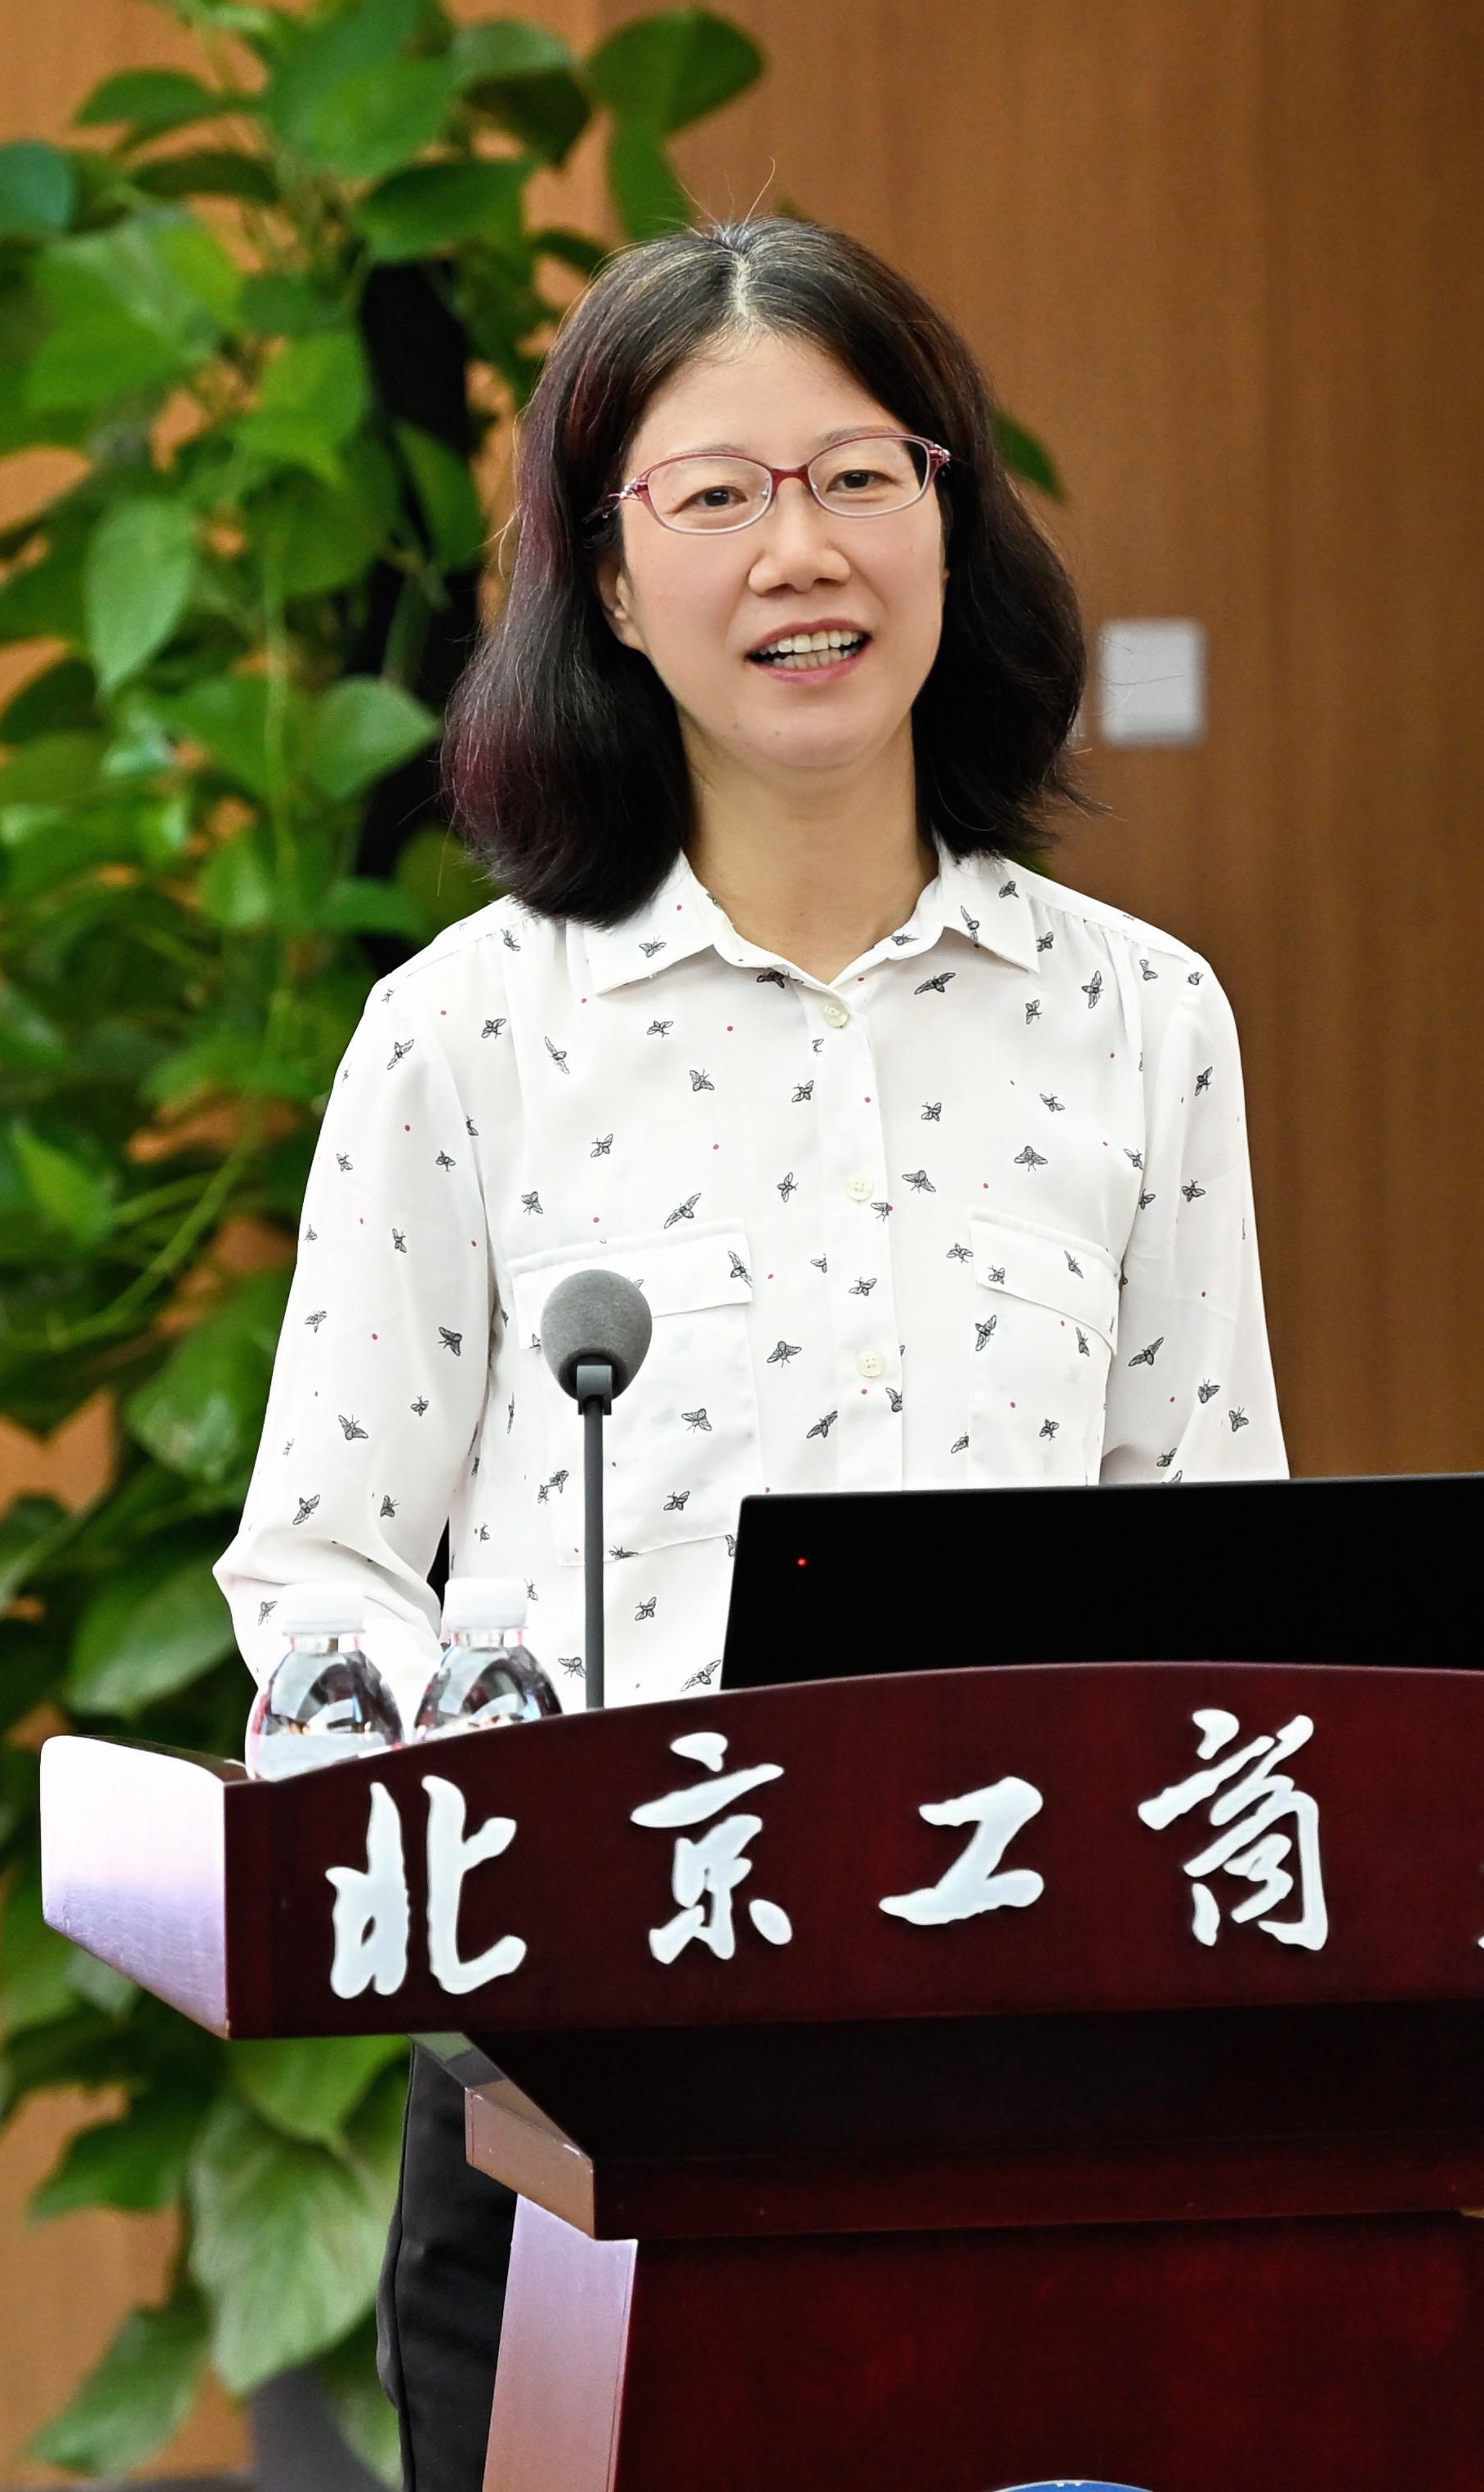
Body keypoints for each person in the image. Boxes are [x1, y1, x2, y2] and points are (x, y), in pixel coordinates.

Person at [212, 215, 1284, 2492]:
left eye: (859, 476)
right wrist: (466, 1792)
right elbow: (321, 1563)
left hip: (1026, 2088)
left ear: (949, 520)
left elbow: (1211, 1549)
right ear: (609, 582)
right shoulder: (465, 1038)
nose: (802, 551)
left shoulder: (1138, 1019)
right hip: (586, 2098)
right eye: (716, 496)